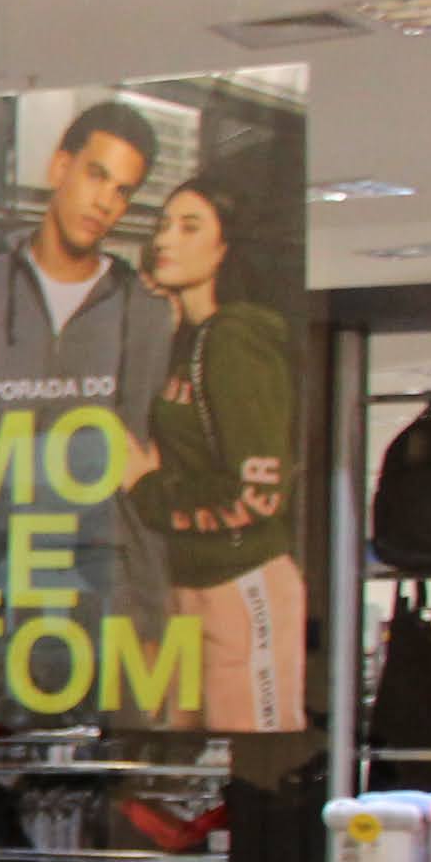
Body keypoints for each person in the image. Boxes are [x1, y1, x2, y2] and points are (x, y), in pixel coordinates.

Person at [0, 98, 179, 724]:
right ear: (60, 166)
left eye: (123, 191)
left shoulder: (143, 312)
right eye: (97, 175)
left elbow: (137, 457)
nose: (105, 202)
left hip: (104, 584)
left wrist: (151, 611)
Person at [136, 181, 310, 730]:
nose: (166, 239)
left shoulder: (236, 340)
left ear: (224, 249)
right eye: (164, 225)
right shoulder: (184, 341)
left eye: (190, 227)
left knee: (251, 746)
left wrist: (147, 491)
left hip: (239, 577)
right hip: (186, 581)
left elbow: (258, 492)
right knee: (184, 749)